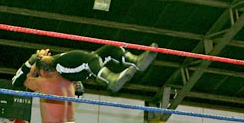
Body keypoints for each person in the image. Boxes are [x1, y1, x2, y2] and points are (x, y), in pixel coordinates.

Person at [12, 45, 157, 93]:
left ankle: (135, 61)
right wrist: (32, 61)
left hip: (74, 71)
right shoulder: (41, 73)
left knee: (109, 49)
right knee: (87, 59)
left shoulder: (56, 61)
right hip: (67, 72)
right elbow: (15, 83)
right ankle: (110, 79)